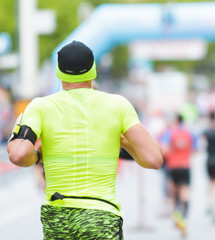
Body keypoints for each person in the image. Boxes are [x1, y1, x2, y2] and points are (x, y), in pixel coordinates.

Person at [7, 41, 163, 240]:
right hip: (102, 216)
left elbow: (19, 155)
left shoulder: (40, 107)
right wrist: (122, 142)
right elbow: (154, 159)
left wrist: (37, 157)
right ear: (93, 70)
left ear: (59, 72)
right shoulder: (118, 105)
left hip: (59, 219)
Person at [160, 113, 196, 237]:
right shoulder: (189, 133)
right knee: (185, 193)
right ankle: (184, 219)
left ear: (175, 120)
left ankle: (176, 214)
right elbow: (195, 150)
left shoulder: (169, 133)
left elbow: (164, 150)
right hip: (185, 166)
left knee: (174, 192)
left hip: (173, 167)